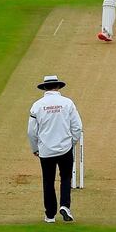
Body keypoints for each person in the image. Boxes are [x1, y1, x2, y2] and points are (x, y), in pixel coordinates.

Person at [27, 75, 83, 223]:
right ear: (58, 87)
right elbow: (77, 127)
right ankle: (65, 206)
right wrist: (72, 142)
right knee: (65, 178)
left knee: (48, 181)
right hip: (65, 148)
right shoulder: (67, 103)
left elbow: (31, 131)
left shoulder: (37, 105)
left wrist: (35, 148)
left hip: (45, 150)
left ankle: (50, 215)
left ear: (45, 88)